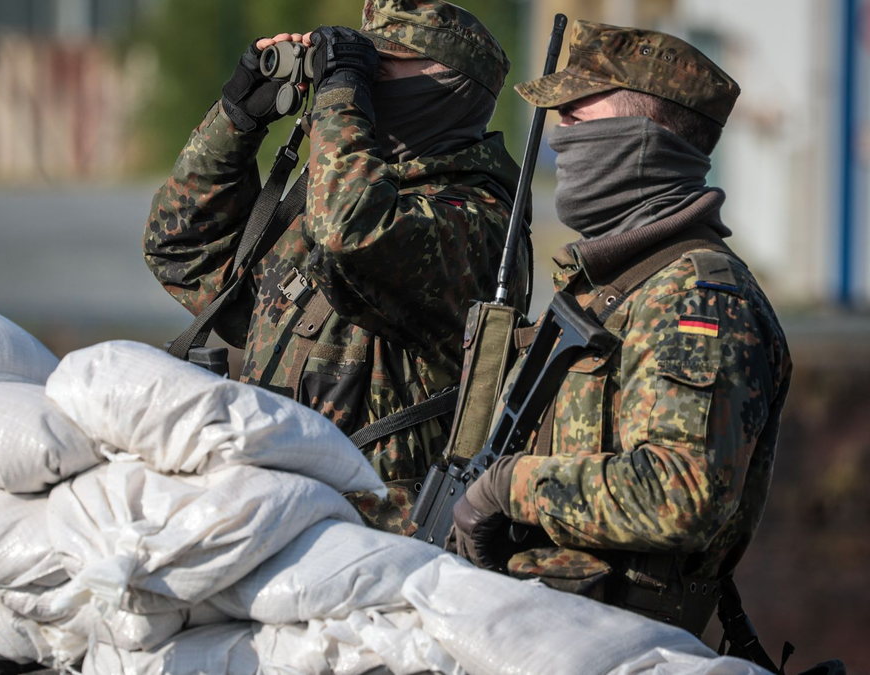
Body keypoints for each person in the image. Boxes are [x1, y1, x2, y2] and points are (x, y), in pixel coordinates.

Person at [449, 20, 791, 636]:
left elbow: (681, 494)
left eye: (576, 119)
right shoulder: (612, 285)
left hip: (614, 641)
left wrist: (509, 487)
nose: (560, 138)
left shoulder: (697, 298)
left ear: (641, 139)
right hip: (543, 629)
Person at [144, 0, 529, 534]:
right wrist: (237, 121)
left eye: (383, 65)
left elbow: (350, 232)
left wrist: (341, 94)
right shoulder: (340, 192)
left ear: (450, 85)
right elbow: (181, 252)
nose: (368, 82)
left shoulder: (474, 219)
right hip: (275, 507)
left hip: (377, 534)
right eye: (362, 65)